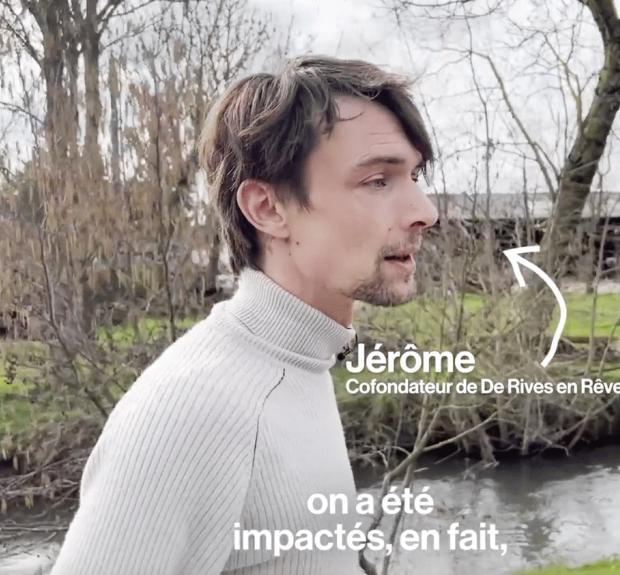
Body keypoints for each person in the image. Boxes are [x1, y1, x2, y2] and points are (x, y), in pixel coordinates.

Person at [48, 55, 439, 575]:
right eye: (377, 181)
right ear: (267, 208)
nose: (425, 211)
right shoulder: (191, 410)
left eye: (413, 175)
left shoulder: (300, 363)